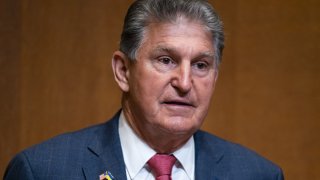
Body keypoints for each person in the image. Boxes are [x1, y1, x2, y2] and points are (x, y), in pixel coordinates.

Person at [4, 0, 284, 179]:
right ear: (123, 71)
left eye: (200, 65)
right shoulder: (43, 171)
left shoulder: (258, 174)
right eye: (166, 60)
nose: (185, 83)